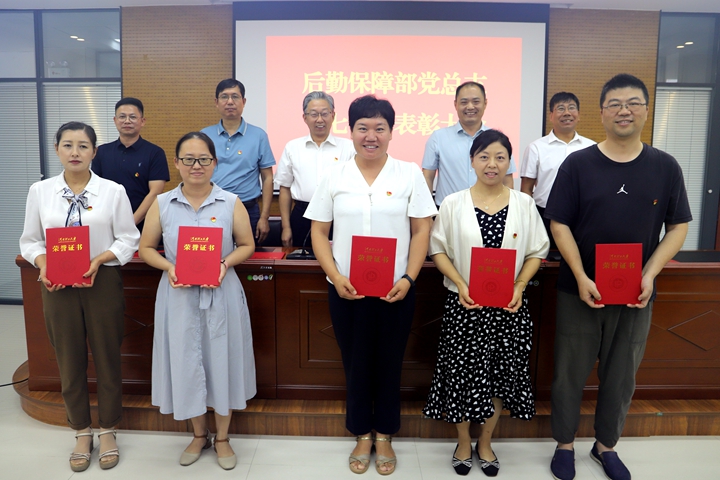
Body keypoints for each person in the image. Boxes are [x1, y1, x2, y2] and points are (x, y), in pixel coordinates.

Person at [544, 74, 691, 480]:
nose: (624, 111)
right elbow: (559, 223)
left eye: (633, 103)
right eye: (615, 104)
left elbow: (678, 226)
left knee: (622, 375)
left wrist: (650, 272)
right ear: (602, 112)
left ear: (645, 110)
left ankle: (606, 445)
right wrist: (580, 274)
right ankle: (564, 444)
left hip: (635, 295)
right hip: (579, 292)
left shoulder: (665, 166)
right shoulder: (578, 164)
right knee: (568, 372)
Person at [305, 95, 436, 475]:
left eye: (380, 128)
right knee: (356, 362)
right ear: (351, 131)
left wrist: (409, 278)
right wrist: (335, 276)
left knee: (390, 363)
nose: (371, 136)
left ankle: (386, 434)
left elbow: (421, 229)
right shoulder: (335, 175)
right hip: (347, 290)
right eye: (363, 128)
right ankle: (362, 433)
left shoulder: (408, 174)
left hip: (397, 289)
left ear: (392, 132)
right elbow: (318, 231)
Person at [423, 129, 549, 477]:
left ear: (509, 162)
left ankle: (486, 442)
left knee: (499, 377)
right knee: (461, 376)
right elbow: (438, 249)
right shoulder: (453, 203)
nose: (492, 164)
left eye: (500, 157)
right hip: (465, 306)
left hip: (508, 308)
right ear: (472, 161)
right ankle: (463, 441)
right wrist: (461, 283)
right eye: (484, 157)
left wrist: (520, 285)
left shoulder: (524, 204)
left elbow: (537, 250)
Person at [20, 121, 140, 472]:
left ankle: (108, 429)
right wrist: (43, 264)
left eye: (83, 146)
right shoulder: (40, 191)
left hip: (101, 282)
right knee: (69, 359)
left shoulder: (113, 191)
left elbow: (128, 238)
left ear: (94, 152)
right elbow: (30, 240)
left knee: (107, 356)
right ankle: (81, 431)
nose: (75, 152)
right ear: (57, 149)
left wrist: (100, 259)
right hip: (56, 285)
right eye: (68, 145)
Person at [138, 132, 256, 470]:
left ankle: (223, 438)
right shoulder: (163, 203)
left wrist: (225, 264)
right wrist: (169, 267)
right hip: (178, 295)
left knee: (223, 359)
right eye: (188, 159)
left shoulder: (230, 202)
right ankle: (198, 434)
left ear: (214, 163)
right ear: (177, 163)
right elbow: (146, 248)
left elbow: (247, 245)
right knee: (186, 361)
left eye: (204, 159)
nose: (196, 166)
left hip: (221, 292)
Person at [274, 91, 354, 247]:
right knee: (301, 259)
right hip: (302, 215)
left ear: (333, 115)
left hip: (337, 214)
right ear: (305, 117)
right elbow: (284, 188)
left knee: (337, 257)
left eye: (324, 114)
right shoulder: (293, 147)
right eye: (314, 114)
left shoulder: (348, 147)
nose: (320, 119)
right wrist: (286, 227)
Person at [202, 79, 276, 244]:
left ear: (244, 101)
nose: (230, 102)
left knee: (248, 257)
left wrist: (264, 217)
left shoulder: (258, 135)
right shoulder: (204, 136)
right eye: (224, 97)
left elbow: (267, 178)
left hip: (248, 209)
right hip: (211, 208)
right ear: (216, 102)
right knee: (212, 254)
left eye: (235, 97)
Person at [519, 92, 595, 249]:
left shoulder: (592, 148)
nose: (567, 113)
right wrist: (530, 219)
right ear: (551, 116)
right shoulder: (536, 148)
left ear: (578, 115)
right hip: (544, 215)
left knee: (581, 257)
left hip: (582, 216)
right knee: (545, 259)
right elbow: (526, 189)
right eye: (560, 108)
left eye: (571, 108)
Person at [422, 82, 516, 207]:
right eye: (464, 102)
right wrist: (427, 212)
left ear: (485, 103)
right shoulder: (438, 137)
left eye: (476, 102)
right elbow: (427, 178)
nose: (470, 107)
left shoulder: (497, 139)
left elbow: (507, 180)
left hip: (490, 210)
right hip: (449, 211)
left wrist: (508, 209)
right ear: (455, 104)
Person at [91, 97, 170, 232]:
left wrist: (130, 223)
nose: (127, 121)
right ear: (115, 120)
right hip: (106, 225)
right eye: (122, 117)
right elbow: (95, 189)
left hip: (144, 226)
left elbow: (156, 192)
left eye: (132, 117)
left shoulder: (155, 153)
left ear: (142, 121)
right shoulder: (101, 152)